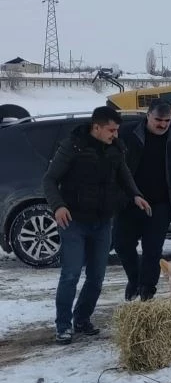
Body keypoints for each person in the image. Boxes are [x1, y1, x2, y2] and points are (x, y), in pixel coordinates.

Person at [42, 106, 152, 344]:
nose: (115, 134)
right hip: (73, 220)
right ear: (96, 127)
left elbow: (124, 175)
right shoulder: (73, 146)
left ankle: (81, 319)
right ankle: (63, 325)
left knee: (96, 277)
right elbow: (50, 180)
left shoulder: (115, 148)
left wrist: (136, 195)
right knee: (71, 274)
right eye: (111, 130)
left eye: (117, 130)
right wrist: (58, 206)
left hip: (103, 221)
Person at [114, 99, 171, 302]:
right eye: (158, 120)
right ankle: (135, 279)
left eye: (167, 121)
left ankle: (147, 289)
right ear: (148, 115)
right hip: (129, 202)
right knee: (122, 244)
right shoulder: (127, 134)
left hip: (161, 204)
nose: (162, 125)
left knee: (152, 249)